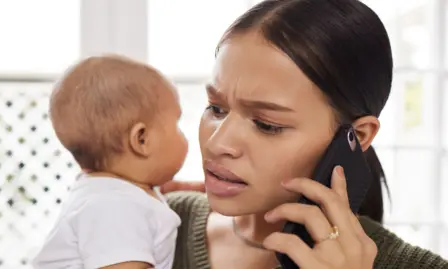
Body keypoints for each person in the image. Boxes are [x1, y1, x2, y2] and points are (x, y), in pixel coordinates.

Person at [164, 0, 448, 268]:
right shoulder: (157, 224)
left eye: (267, 124)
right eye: (216, 108)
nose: (217, 143)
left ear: (358, 136)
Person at [33, 55, 188, 269]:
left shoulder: (107, 194)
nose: (183, 135)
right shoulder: (117, 207)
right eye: (177, 124)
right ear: (141, 139)